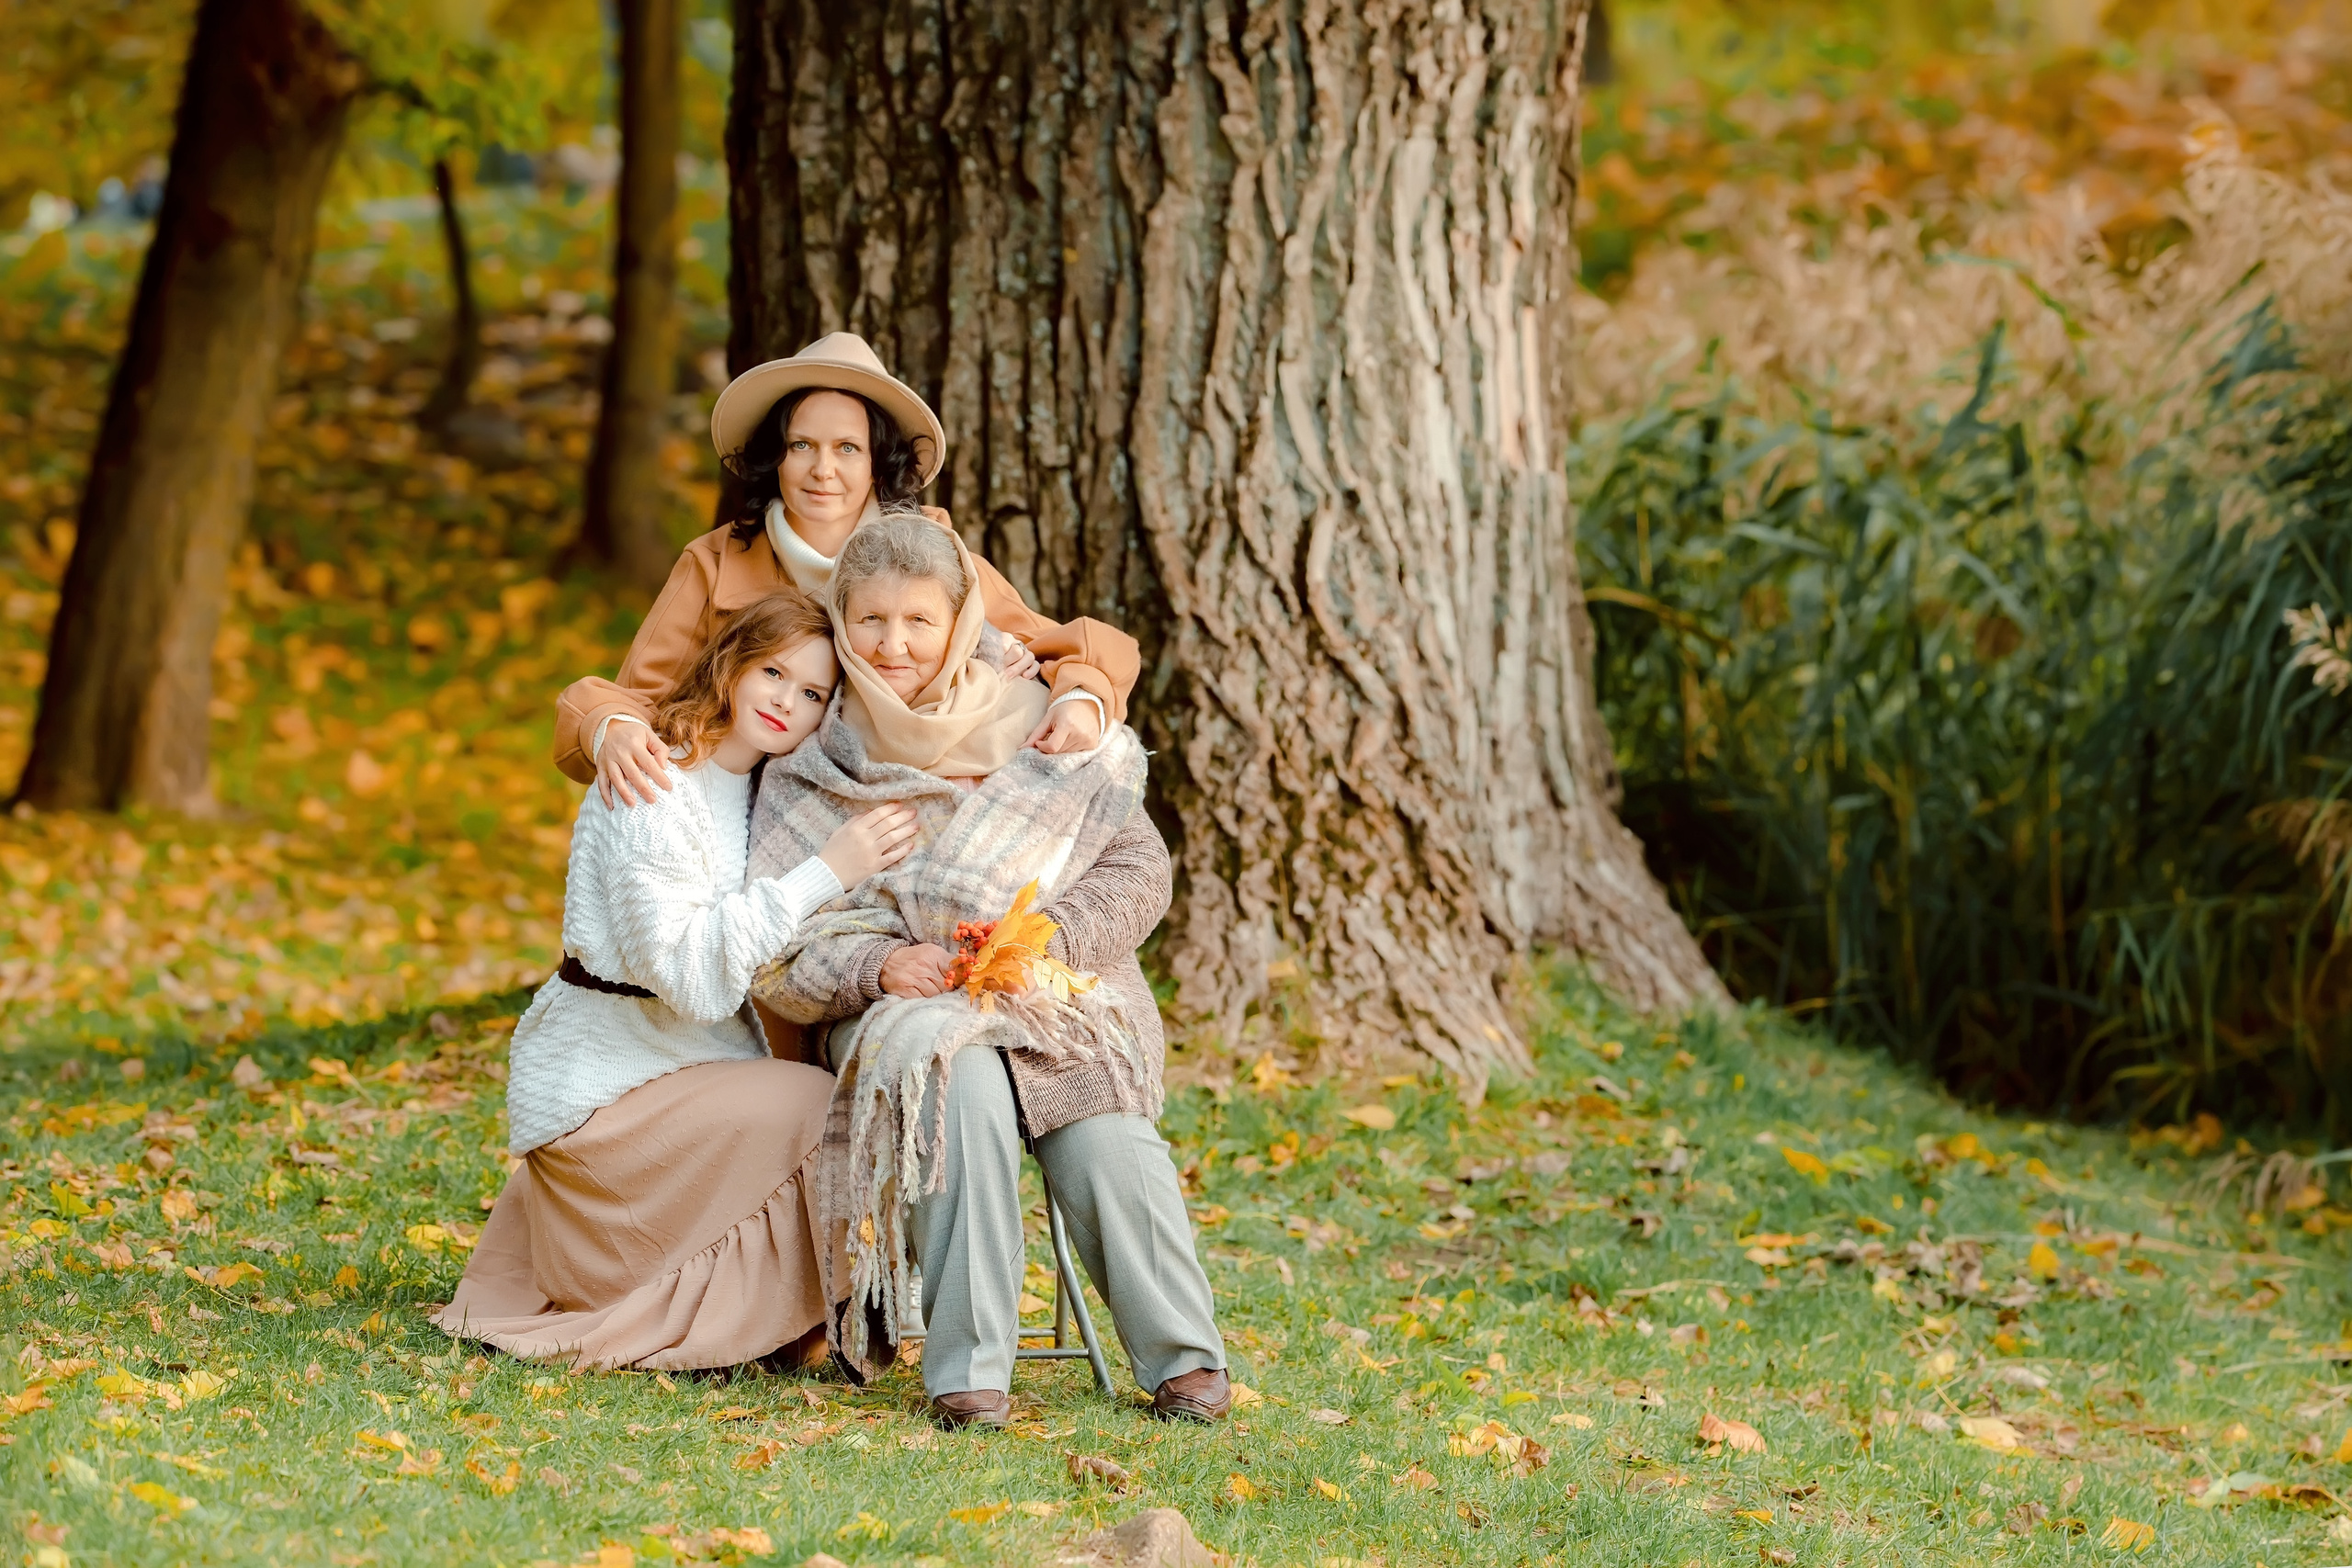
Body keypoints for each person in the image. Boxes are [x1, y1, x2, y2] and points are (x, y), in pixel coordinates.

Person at [748, 513, 1230, 1428]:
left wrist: (1042, 939)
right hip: (906, 1007)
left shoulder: (1037, 724)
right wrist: (883, 963)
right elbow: (778, 947)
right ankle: (970, 1371)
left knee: (1101, 1130)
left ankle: (1184, 1361)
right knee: (954, 1085)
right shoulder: (814, 761)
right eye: (871, 621)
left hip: (1052, 993)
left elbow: (1140, 870)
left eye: (917, 622)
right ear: (841, 620)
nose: (893, 645)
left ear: (960, 620)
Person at [433, 591, 918, 1371]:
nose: (785, 701)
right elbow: (693, 976)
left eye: (812, 694)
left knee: (828, 1084)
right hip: (602, 1094)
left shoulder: (760, 793)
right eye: (773, 672)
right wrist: (828, 872)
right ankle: (797, 1313)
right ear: (731, 663)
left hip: (680, 1072)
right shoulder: (654, 781)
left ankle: (796, 1317)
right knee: (811, 1102)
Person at [553, 332, 1140, 810]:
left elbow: (1083, 648)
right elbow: (630, 699)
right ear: (774, 456)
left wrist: (1080, 699)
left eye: (847, 448)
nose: (822, 471)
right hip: (757, 828)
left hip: (908, 817)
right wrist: (611, 728)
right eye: (801, 445)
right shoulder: (716, 564)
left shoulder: (934, 557)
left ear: (878, 461)